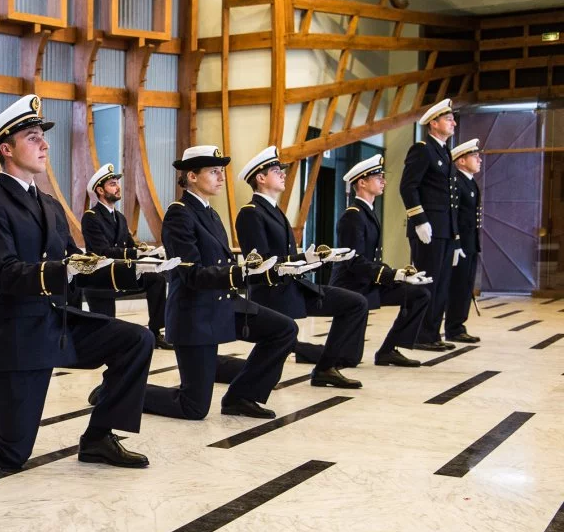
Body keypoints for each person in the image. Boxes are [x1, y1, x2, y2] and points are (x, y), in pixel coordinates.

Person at [0, 94, 178, 469]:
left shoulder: (49, 203)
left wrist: (138, 269)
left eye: (43, 137)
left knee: (136, 340)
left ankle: (99, 438)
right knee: (10, 451)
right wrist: (64, 270)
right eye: (33, 138)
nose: (44, 144)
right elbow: (7, 273)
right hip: (19, 334)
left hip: (57, 323)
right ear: (6, 149)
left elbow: (80, 263)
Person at [137, 146, 299, 420]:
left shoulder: (210, 213)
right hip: (195, 314)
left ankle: (241, 397)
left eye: (221, 171)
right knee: (193, 407)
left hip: (223, 304)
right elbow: (191, 275)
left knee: (284, 329)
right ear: (192, 176)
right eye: (213, 172)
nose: (221, 177)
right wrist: (238, 274)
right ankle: (118, 389)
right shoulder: (179, 213)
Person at [234, 146, 369, 389]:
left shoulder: (274, 210)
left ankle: (325, 368)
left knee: (355, 303)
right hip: (273, 293)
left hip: (294, 287)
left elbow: (283, 256)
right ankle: (255, 377)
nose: (283, 174)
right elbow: (261, 263)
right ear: (261, 178)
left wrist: (313, 258)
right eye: (276, 171)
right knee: (282, 338)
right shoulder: (251, 213)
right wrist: (300, 261)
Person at [330, 155, 433, 367]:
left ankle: (389, 350)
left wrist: (400, 274)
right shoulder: (352, 216)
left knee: (420, 294)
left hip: (368, 282)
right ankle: (300, 349)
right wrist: (392, 275)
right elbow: (354, 262)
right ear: (362, 182)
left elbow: (371, 259)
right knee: (347, 358)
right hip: (351, 287)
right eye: (378, 177)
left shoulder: (368, 212)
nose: (383, 181)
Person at [80, 164, 173, 350]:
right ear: (100, 190)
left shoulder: (120, 218)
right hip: (102, 279)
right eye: (112, 184)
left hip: (120, 274)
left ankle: (156, 332)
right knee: (106, 336)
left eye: (117, 183)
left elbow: (131, 246)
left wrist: (150, 252)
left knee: (156, 279)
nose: (118, 187)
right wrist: (136, 253)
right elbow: (103, 252)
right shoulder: (91, 217)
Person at [399, 98, 460, 352]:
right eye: (448, 119)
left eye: (453, 119)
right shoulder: (422, 150)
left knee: (441, 284)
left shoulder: (445, 152)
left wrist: (455, 236)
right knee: (427, 284)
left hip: (444, 230)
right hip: (428, 230)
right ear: (433, 123)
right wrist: (419, 220)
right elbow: (408, 186)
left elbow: (450, 199)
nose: (453, 123)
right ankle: (419, 334)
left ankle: (432, 333)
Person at [446, 138, 483, 344]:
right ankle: (454, 327)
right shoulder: (457, 183)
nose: (479, 160)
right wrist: (456, 242)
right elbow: (454, 216)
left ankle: (458, 325)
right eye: (474, 156)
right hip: (460, 243)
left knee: (466, 285)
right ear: (461, 160)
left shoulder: (470, 182)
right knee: (458, 286)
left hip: (470, 242)